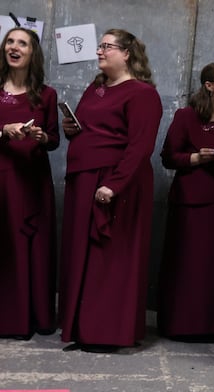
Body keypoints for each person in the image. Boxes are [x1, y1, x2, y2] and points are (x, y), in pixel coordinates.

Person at [59, 29, 163, 353]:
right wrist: (71, 130)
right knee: (83, 256)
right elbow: (87, 131)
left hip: (116, 182)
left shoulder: (143, 94)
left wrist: (114, 184)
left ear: (127, 53)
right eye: (99, 45)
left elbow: (140, 146)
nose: (100, 51)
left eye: (107, 46)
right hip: (84, 179)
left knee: (111, 257)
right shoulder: (96, 88)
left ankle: (106, 332)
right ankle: (82, 327)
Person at [157, 62, 214, 341]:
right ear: (209, 85)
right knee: (185, 265)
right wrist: (197, 158)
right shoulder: (186, 116)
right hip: (189, 202)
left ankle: (213, 326)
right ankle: (179, 325)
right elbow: (168, 156)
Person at [0, 28, 60, 339]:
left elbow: (54, 141)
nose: (14, 47)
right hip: (2, 177)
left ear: (32, 53)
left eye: (21, 43)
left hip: (33, 180)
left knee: (31, 246)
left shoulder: (46, 94)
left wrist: (42, 136)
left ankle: (33, 317)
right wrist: (3, 131)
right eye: (10, 41)